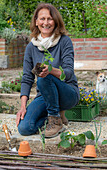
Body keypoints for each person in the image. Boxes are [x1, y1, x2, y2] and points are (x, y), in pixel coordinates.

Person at [16, 3, 80, 138]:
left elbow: (68, 73)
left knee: (44, 77)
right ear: (36, 21)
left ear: (55, 21)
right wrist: (23, 106)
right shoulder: (31, 47)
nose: (46, 22)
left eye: (49, 19)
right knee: (25, 128)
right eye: (42, 19)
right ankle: (56, 117)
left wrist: (50, 71)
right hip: (45, 96)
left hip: (67, 92)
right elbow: (27, 78)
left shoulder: (64, 41)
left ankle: (55, 121)